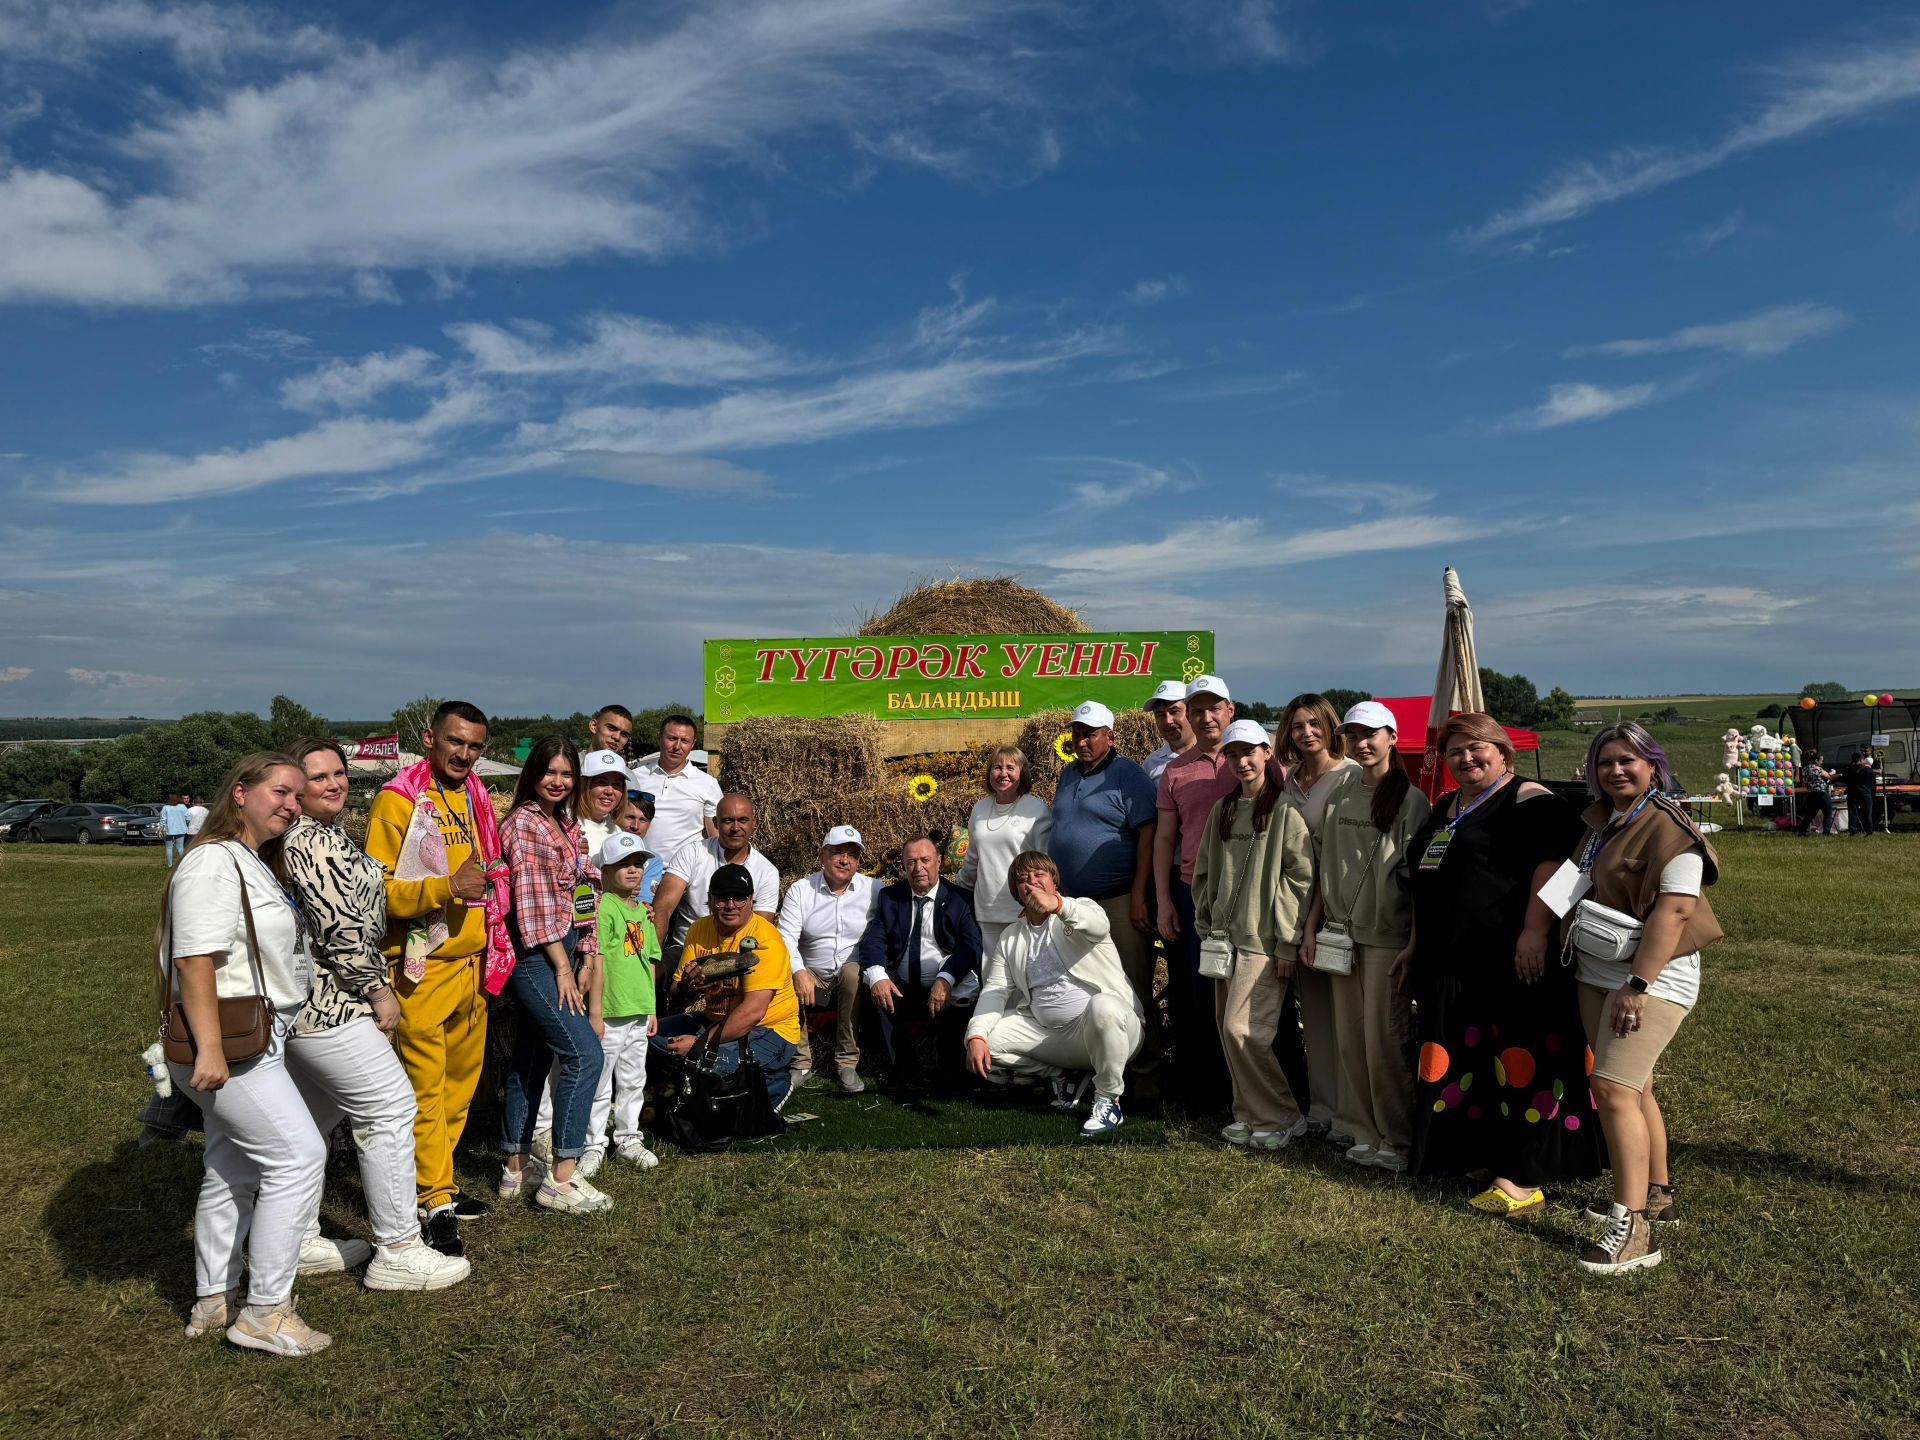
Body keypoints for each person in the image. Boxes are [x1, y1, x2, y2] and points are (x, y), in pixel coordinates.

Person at [281, 738, 469, 1291]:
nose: (335, 783)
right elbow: (339, 928)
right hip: (330, 1003)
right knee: (390, 1108)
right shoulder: (307, 844)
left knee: (311, 1124)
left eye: (339, 773)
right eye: (319, 778)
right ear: (294, 786)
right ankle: (398, 1248)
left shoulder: (324, 835)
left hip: (319, 1004)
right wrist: (378, 991)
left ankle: (295, 1238)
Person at [162, 752, 331, 1355]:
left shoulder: (248, 861)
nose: (292, 803)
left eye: (296, 794)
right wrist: (209, 1048)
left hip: (251, 1037)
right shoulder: (212, 862)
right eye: (280, 792)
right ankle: (266, 1311)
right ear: (239, 792)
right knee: (298, 1156)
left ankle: (214, 1297)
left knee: (231, 1164)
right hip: (231, 1047)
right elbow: (194, 960)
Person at [1405, 712, 1600, 1218]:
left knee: (1522, 1058)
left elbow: (1555, 868)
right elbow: (1426, 877)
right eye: (1456, 752)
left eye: (1477, 748)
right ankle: (1480, 1153)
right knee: (1469, 1057)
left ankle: (1524, 1174)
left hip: (1512, 956)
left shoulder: (1531, 800)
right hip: (1451, 959)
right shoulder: (1448, 804)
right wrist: (1416, 942)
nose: (1467, 758)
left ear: (1504, 752)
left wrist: (1534, 931)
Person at [1567, 723, 1723, 1275]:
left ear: (1653, 766)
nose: (1615, 770)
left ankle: (1633, 1229)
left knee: (1610, 1088)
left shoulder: (1670, 831)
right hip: (1595, 970)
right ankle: (1657, 1194)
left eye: (1627, 760)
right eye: (1605, 761)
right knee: (1635, 1086)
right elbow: (1569, 883)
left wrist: (1638, 985)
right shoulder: (1600, 823)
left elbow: (1675, 911)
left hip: (1649, 978)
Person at [365, 700, 509, 1259]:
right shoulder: (397, 800)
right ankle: (434, 1200)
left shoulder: (476, 796)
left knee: (460, 1088)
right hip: (422, 967)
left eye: (475, 746)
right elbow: (376, 894)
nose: (465, 755)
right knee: (425, 1091)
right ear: (429, 738)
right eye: (456, 742)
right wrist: (447, 888)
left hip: (473, 963)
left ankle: (437, 1186)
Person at [1303, 702, 1428, 1172]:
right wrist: (1312, 927)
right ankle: (1362, 1129)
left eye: (1371, 734)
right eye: (1353, 735)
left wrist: (1415, 942)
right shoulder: (1338, 794)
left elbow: (1420, 881)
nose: (1361, 743)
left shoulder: (1411, 800)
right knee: (1350, 1039)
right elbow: (1321, 870)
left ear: (1392, 737)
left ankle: (1396, 1137)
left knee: (1385, 1042)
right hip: (1338, 934)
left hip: (1386, 937)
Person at [497, 737, 610, 1214]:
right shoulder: (524, 824)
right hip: (536, 955)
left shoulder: (566, 824)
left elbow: (584, 892)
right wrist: (563, 966)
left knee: (531, 1058)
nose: (559, 782)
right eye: (551, 773)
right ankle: (562, 1176)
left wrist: (585, 953)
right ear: (534, 774)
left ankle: (515, 1168)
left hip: (562, 948)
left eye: (567, 774)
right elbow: (533, 904)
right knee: (585, 1053)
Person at [1191, 719, 1314, 1150]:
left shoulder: (1285, 812)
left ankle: (1283, 1115)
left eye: (1249, 752)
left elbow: (1300, 879)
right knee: (1230, 1031)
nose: (1241, 761)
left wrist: (1286, 940)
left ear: (1267, 754)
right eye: (1232, 753)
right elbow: (1204, 871)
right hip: (1225, 940)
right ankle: (1248, 1112)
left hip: (1263, 941)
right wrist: (1207, 922)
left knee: (1248, 1031)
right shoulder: (1222, 810)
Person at [965, 851, 1145, 1137]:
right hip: (1052, 1038)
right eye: (1023, 879)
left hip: (1112, 1029)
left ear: (1054, 881)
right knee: (990, 1038)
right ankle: (1063, 1076)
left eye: (1039, 875)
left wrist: (1058, 905)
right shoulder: (1011, 936)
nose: (1031, 882)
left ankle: (1108, 1099)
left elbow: (1100, 924)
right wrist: (976, 1035)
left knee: (1104, 1008)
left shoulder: (1079, 909)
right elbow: (996, 990)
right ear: (1017, 892)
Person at [1047, 700, 1160, 1097]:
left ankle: (1145, 1078)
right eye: (1077, 733)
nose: (1081, 741)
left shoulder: (1128, 774)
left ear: (1110, 735)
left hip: (1117, 899)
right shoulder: (1067, 774)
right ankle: (1097, 1072)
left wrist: (1139, 897)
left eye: (1090, 733)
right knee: (1084, 990)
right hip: (1075, 905)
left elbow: (1148, 834)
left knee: (1132, 987)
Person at [1153, 675, 1242, 1115]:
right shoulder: (1175, 770)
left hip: (1247, 893)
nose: (1206, 717)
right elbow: (1165, 840)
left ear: (1230, 711)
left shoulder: (1254, 760)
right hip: (1193, 893)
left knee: (1249, 991)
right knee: (1197, 991)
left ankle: (1258, 1088)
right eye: (1198, 710)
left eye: (1214, 708)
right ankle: (1206, 1090)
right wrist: (1165, 901)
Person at [652, 864, 803, 1107]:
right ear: (710, 900)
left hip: (770, 1029)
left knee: (707, 1063)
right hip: (717, 1019)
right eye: (722, 897)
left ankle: (777, 1084)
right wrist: (688, 988)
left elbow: (752, 1012)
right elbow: (677, 993)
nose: (730, 905)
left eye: (739, 898)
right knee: (645, 1035)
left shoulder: (765, 941)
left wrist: (699, 1044)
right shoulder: (699, 929)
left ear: (751, 901)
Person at [1275, 693, 1357, 1139]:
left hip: (1337, 906)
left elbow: (1339, 857)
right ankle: (1323, 1106)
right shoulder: (1290, 780)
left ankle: (1351, 1110)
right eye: (1297, 725)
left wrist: (1314, 922)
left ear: (1331, 727)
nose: (1305, 732)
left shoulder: (1349, 777)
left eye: (1314, 724)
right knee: (1317, 1014)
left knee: (1346, 1014)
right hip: (1297, 906)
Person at [857, 836, 984, 1092]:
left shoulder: (961, 899)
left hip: (944, 983)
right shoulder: (890, 897)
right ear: (903, 865)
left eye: (925, 860)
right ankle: (905, 1075)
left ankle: (951, 1075)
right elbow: (874, 939)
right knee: (877, 993)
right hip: (903, 985)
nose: (919, 868)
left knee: (961, 1000)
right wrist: (878, 976)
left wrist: (946, 978)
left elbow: (971, 945)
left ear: (939, 862)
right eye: (911, 862)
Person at [776, 825, 881, 1095]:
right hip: (814, 975)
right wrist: (799, 971)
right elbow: (785, 937)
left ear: (859, 861)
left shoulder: (875, 890)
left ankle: (846, 1063)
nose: (845, 860)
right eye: (837, 853)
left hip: (852, 976)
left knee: (853, 972)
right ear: (821, 855)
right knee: (783, 972)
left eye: (852, 855)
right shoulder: (801, 890)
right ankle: (800, 1063)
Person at [589, 830, 662, 1170]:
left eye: (638, 864)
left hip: (637, 1009)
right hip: (611, 1009)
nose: (633, 870)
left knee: (634, 1078)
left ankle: (629, 1137)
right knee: (601, 1081)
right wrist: (596, 1010)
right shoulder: (604, 908)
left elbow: (649, 961)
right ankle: (593, 1143)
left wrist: (651, 1008)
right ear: (604, 869)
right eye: (623, 864)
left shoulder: (643, 913)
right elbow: (598, 958)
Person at [956, 745, 1052, 965]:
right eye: (997, 767)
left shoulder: (1035, 809)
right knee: (992, 978)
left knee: (1024, 976)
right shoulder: (979, 809)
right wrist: (954, 891)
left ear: (1022, 773)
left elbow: (1046, 862)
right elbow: (972, 860)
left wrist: (1041, 901)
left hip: (1024, 909)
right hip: (987, 910)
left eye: (1011, 767)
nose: (1003, 773)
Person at [651, 793, 781, 956]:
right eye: (728, 820)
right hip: (686, 947)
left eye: (742, 820)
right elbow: (663, 907)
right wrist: (652, 957)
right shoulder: (692, 853)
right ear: (715, 823)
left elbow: (759, 929)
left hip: (736, 955)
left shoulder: (767, 872)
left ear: (754, 823)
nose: (735, 828)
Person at [630, 714, 720, 858]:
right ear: (659, 738)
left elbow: (715, 836)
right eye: (672, 738)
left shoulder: (708, 783)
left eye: (684, 741)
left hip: (688, 872)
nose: (677, 746)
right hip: (640, 868)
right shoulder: (634, 777)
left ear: (692, 744)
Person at [614, 789, 666, 903]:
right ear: (615, 816)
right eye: (630, 817)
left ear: (649, 825)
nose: (635, 826)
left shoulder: (653, 860)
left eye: (643, 820)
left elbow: (643, 901)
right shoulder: (601, 848)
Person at [1141, 680, 1195, 786]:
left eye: (1174, 711)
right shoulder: (1151, 764)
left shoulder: (1215, 754)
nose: (1168, 721)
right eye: (1160, 714)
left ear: (1191, 711)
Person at [577, 749, 628, 857]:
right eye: (601, 782)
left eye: (617, 784)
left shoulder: (616, 831)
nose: (609, 791)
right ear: (585, 785)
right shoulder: (564, 824)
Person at [1797, 749, 1836, 837]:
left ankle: (1802, 832)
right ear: (1816, 760)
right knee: (1828, 813)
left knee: (1810, 815)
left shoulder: (1805, 769)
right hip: (1821, 793)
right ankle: (1826, 832)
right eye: (1821, 760)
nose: (1822, 762)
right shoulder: (1817, 768)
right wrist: (1835, 773)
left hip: (1810, 794)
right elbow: (1829, 777)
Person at [1843, 748, 1879, 837]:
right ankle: (1869, 832)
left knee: (1852, 813)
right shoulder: (1867, 770)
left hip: (1852, 793)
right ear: (1861, 759)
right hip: (1865, 793)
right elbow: (1872, 783)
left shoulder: (1847, 769)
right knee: (1867, 813)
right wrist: (1872, 794)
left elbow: (1845, 780)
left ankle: (1852, 832)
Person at [161, 793, 190, 866]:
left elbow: (163, 820)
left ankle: (169, 865)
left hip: (169, 830)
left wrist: (161, 829)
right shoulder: (183, 806)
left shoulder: (165, 807)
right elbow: (188, 818)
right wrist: (186, 825)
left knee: (169, 848)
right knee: (180, 848)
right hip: (181, 829)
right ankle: (184, 864)